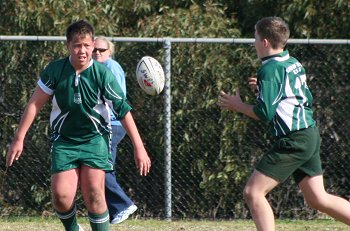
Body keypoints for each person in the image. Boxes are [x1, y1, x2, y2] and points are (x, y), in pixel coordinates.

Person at [5, 20, 151, 231]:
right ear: (68, 46)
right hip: (64, 141)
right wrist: (19, 138)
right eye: (76, 45)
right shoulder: (55, 70)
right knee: (61, 197)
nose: (82, 51)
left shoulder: (102, 74)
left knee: (94, 192)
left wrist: (139, 147)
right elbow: (34, 105)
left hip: (95, 140)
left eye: (86, 45)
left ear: (92, 45)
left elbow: (123, 110)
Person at [218, 16, 350, 231]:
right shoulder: (292, 62)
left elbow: (264, 113)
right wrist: (262, 90)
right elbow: (293, 96)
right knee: (318, 199)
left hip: (293, 139)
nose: (254, 42)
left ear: (265, 42)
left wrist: (238, 105)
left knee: (253, 192)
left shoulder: (269, 70)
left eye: (255, 38)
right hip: (308, 133)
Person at [92, 36, 137, 224]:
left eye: (102, 50)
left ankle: (123, 205)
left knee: (100, 166)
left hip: (113, 124)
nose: (97, 53)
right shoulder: (95, 68)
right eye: (95, 49)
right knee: (104, 166)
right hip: (105, 124)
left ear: (109, 51)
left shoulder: (111, 67)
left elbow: (117, 98)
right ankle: (113, 211)